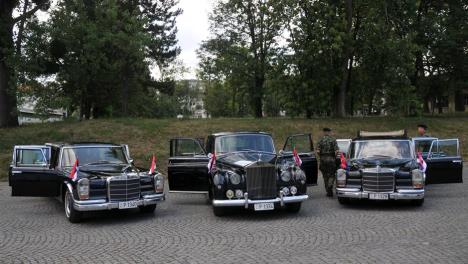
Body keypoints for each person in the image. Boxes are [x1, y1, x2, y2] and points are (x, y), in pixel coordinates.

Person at [317, 127, 339, 197]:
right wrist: (334, 157)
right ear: (329, 132)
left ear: (323, 132)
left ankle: (328, 191)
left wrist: (321, 156)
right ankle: (330, 185)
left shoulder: (320, 140)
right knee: (332, 174)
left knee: (325, 175)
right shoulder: (333, 140)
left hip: (323, 159)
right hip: (331, 159)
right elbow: (337, 151)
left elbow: (318, 151)